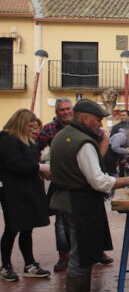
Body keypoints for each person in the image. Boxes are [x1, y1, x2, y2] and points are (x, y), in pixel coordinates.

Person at [49, 99, 129, 291]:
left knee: (77, 256)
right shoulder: (83, 142)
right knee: (81, 259)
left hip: (65, 202)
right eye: (97, 119)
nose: (100, 124)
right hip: (79, 205)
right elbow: (99, 181)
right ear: (85, 118)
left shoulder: (62, 135)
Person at [0, 109, 51, 282]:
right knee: (12, 228)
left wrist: (39, 170)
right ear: (22, 124)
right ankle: (5, 266)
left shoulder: (26, 141)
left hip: (27, 190)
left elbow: (28, 163)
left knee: (27, 228)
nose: (32, 130)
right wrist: (39, 168)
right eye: (30, 126)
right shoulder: (8, 141)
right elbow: (16, 165)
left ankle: (30, 264)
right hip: (13, 192)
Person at [34, 98, 73, 272]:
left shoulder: (80, 124)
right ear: (57, 112)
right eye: (62, 110)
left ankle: (96, 251)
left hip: (82, 179)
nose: (66, 112)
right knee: (61, 222)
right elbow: (36, 148)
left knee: (88, 217)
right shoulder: (49, 128)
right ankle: (63, 256)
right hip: (60, 180)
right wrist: (40, 169)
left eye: (68, 108)